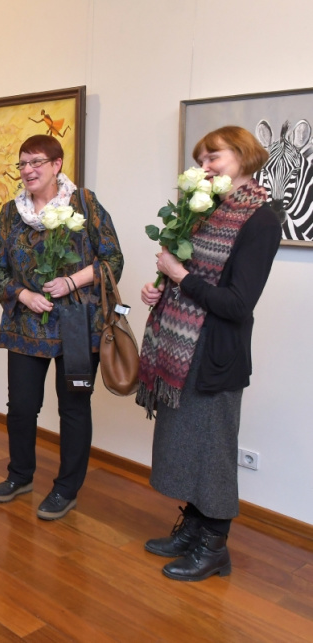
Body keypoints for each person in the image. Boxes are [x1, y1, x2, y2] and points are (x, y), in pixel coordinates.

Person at [138, 126, 280, 581]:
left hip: (215, 353)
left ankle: (214, 547)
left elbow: (237, 304)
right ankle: (194, 530)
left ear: (242, 155)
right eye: (201, 159)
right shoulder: (205, 210)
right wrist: (160, 288)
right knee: (190, 445)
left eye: (213, 157)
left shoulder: (261, 219)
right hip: (182, 348)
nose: (204, 167)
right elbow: (188, 276)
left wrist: (180, 277)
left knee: (214, 450)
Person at [0, 134, 123, 520]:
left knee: (74, 408)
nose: (28, 170)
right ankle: (20, 476)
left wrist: (71, 282)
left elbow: (113, 260)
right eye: (22, 163)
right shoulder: (11, 213)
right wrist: (23, 295)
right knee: (21, 408)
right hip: (26, 325)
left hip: (78, 325)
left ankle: (66, 489)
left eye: (36, 162)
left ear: (57, 164)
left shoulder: (84, 203)